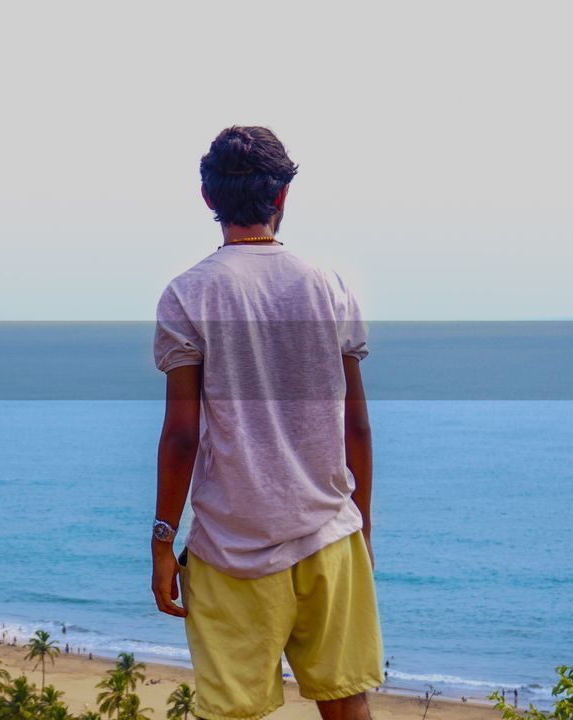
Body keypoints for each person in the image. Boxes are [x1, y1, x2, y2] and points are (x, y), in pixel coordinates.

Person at [152, 126, 381, 720]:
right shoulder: (329, 288)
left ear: (208, 199)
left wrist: (161, 540)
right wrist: (365, 528)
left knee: (231, 713)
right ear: (282, 197)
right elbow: (356, 424)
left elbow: (181, 435)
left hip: (231, 548)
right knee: (346, 704)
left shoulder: (187, 296)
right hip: (329, 535)